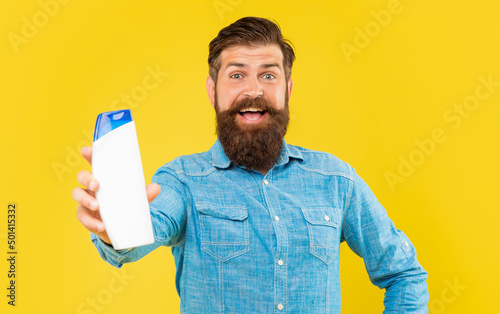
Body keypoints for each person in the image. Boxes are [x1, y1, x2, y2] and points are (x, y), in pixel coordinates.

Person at [72, 16, 429, 313]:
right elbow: (145, 231)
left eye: (269, 75)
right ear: (213, 91)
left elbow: (404, 274)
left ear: (288, 89)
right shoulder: (182, 180)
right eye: (237, 75)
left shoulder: (336, 180)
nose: (254, 90)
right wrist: (114, 227)